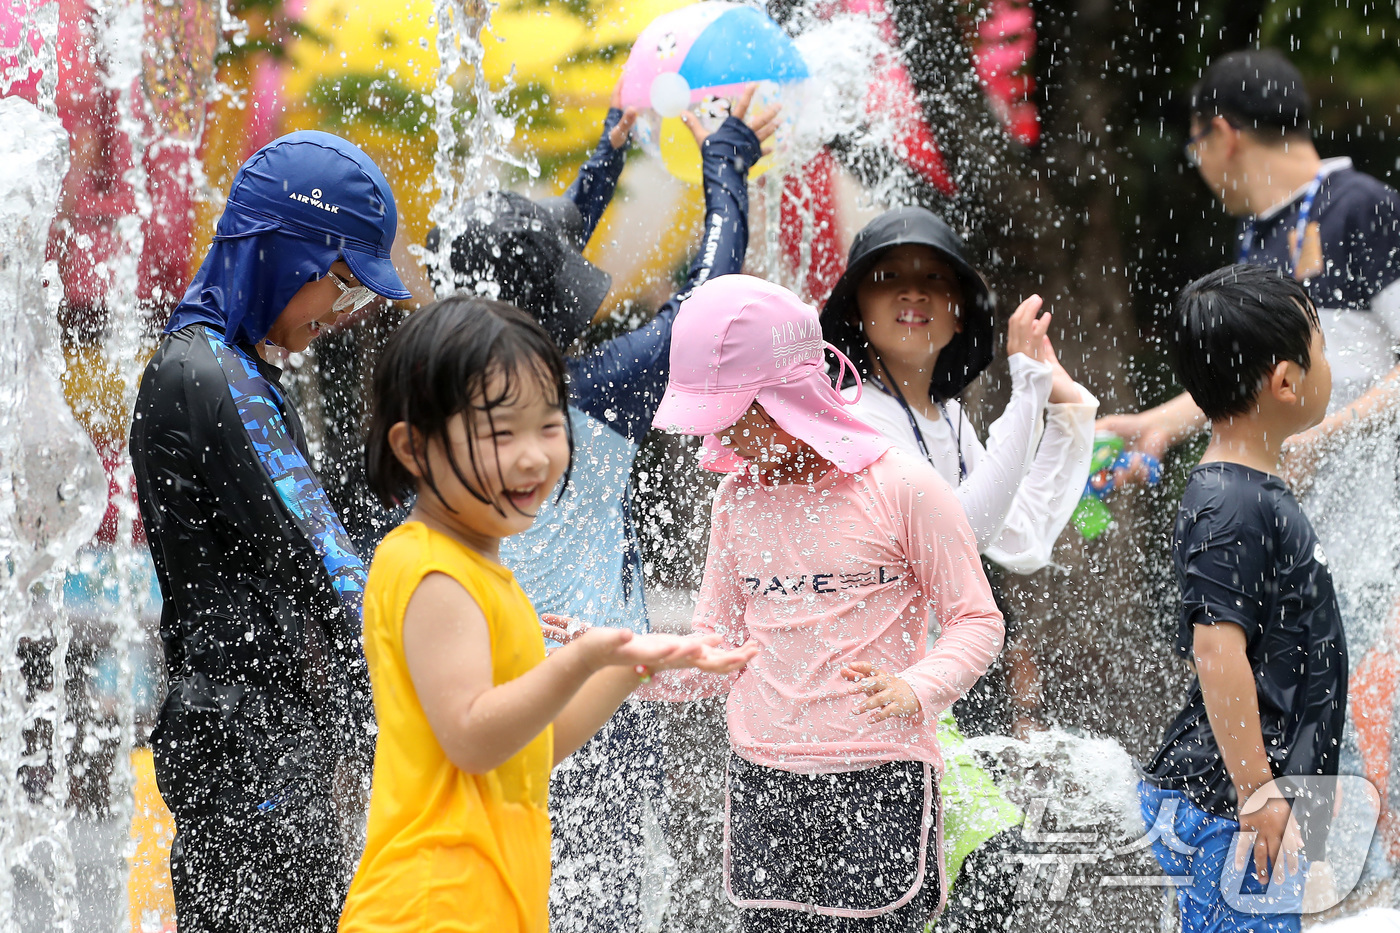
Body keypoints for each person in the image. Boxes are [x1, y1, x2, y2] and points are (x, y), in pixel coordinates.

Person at [436, 83, 777, 931]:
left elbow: (520, 285)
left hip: (476, 696)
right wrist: (725, 158)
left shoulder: (440, 404)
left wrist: (606, 155)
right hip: (585, 708)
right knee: (600, 905)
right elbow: (708, 303)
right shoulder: (588, 400)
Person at [336, 296, 755, 932]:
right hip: (433, 905)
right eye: (501, 433)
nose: (532, 456)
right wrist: (583, 657)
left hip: (486, 904)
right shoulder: (431, 571)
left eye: (548, 425)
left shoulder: (478, 571)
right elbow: (475, 737)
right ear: (414, 449)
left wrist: (632, 664)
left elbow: (532, 748)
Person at [1098, 47, 1400, 883]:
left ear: (1221, 134)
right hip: (1299, 544)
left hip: (1377, 543)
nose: (1197, 167)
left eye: (1195, 147)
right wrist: (1161, 426)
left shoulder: (1360, 207)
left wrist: (1328, 434)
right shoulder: (1261, 235)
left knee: (1366, 723)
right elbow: (1249, 377)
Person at [641, 274, 1005, 932]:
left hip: (878, 778)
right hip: (764, 784)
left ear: (790, 392)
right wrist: (616, 664)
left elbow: (977, 619)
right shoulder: (738, 501)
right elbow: (714, 651)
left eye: (735, 407)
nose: (724, 429)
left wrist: (917, 685)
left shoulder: (902, 487)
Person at [129, 131, 414, 932]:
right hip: (256, 764)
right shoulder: (214, 376)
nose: (344, 312)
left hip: (245, 749)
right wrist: (466, 644)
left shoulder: (216, 365)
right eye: (341, 285)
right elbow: (331, 569)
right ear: (286, 258)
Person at [819, 205, 1098, 931]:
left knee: (971, 886)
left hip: (922, 698)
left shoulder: (943, 416)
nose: (913, 294)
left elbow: (1020, 532)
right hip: (864, 712)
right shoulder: (852, 415)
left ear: (958, 309)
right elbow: (960, 527)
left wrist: (1062, 403)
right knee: (984, 874)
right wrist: (1029, 391)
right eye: (888, 278)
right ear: (857, 305)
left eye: (934, 281)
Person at [1139, 264, 1346, 933]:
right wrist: (1256, 787)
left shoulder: (1248, 488)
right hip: (1229, 807)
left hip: (1243, 803)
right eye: (1321, 347)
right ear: (1286, 380)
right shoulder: (1230, 502)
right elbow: (1215, 647)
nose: (1329, 363)